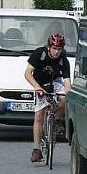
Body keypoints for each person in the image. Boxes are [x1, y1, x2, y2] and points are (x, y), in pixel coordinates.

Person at [25, 33, 72, 163]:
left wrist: (69, 93)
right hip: (40, 83)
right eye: (54, 49)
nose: (56, 52)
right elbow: (27, 73)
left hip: (55, 82)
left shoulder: (63, 58)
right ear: (49, 47)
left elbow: (67, 80)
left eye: (59, 49)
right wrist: (36, 87)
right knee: (39, 115)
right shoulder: (39, 54)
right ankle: (36, 150)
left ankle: (56, 120)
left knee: (64, 99)